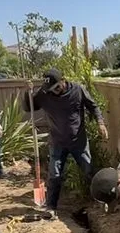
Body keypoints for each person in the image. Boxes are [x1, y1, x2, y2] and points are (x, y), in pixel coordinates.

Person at [24, 68, 108, 214]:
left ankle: (100, 201)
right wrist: (27, 94)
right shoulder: (44, 94)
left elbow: (93, 106)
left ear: (63, 81)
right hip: (57, 142)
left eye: (56, 87)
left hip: (78, 142)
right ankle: (51, 207)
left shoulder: (78, 90)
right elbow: (28, 108)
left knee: (88, 170)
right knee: (54, 175)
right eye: (50, 89)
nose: (53, 91)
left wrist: (100, 123)